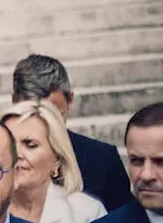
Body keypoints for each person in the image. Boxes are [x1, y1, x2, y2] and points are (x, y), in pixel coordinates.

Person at [12, 53, 132, 211]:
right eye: (31, 115)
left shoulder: (102, 160)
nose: (44, 127)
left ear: (70, 100)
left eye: (54, 115)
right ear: (14, 102)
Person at [0, 99, 106, 223]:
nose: (16, 154)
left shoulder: (88, 213)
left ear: (57, 158)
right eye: (9, 144)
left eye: (30, 145)